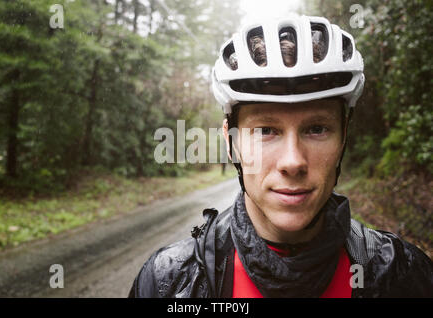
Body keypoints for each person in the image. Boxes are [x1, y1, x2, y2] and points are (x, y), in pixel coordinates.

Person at [129, 14, 433, 298]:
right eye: (265, 131)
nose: (292, 161)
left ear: (344, 137)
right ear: (231, 142)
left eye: (317, 128)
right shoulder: (169, 282)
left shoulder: (399, 274)